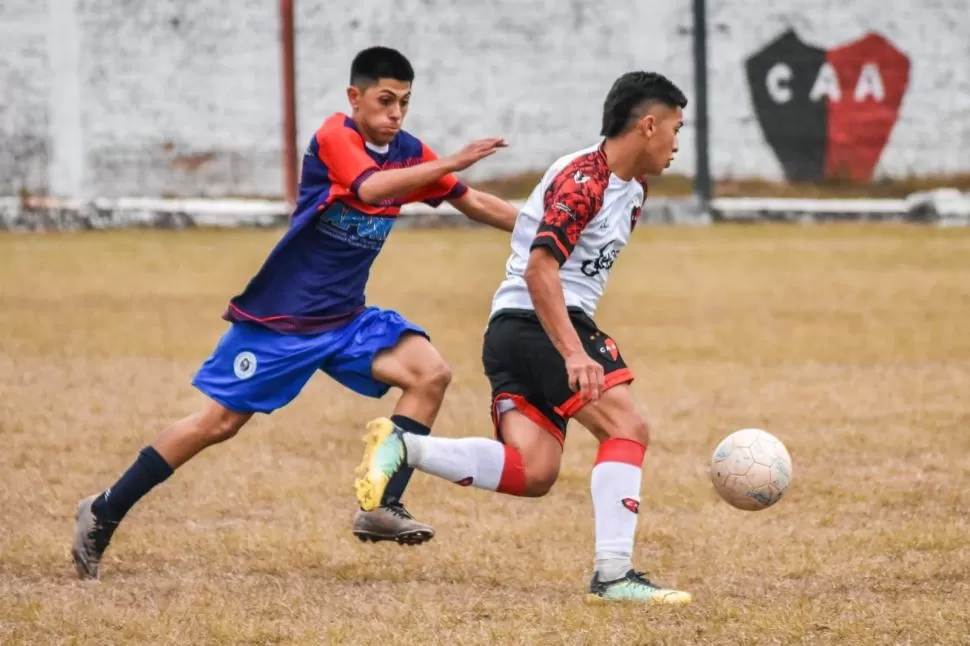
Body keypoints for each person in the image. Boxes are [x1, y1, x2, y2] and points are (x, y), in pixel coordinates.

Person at [72, 45, 520, 580]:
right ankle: (103, 510)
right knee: (217, 423)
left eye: (404, 102)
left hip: (347, 321)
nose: (396, 113)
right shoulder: (336, 137)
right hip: (281, 323)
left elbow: (475, 202)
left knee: (430, 373)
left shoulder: (408, 152)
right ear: (354, 98)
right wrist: (447, 161)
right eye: (384, 100)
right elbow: (370, 187)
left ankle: (380, 505)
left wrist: (553, 232)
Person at [354, 71, 693, 604]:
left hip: (515, 330)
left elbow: (534, 233)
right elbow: (540, 270)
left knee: (535, 471)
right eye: (676, 127)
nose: (678, 142)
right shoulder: (586, 180)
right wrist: (574, 352)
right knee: (627, 426)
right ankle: (613, 576)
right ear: (648, 125)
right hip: (539, 322)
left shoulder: (631, 187)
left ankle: (404, 445)